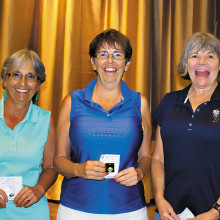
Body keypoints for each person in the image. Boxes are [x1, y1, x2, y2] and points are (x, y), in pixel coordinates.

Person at [54, 29, 152, 220]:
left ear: (128, 63)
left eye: (117, 55)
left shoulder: (141, 104)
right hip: (77, 208)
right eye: (103, 54)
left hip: (130, 209)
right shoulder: (71, 102)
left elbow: (146, 155)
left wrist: (139, 172)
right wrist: (78, 169)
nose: (110, 61)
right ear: (93, 62)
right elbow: (58, 160)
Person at [151, 32, 220, 220]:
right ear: (186, 63)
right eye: (195, 55)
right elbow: (158, 159)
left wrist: (215, 212)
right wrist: (159, 199)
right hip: (168, 211)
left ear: (219, 64)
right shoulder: (169, 101)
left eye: (210, 56)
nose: (202, 62)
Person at [0, 49, 57, 219]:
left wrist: (39, 189)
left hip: (32, 212)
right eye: (16, 74)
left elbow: (51, 167)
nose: (23, 83)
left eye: (31, 76)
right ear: (4, 80)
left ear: (39, 84)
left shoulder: (46, 120)